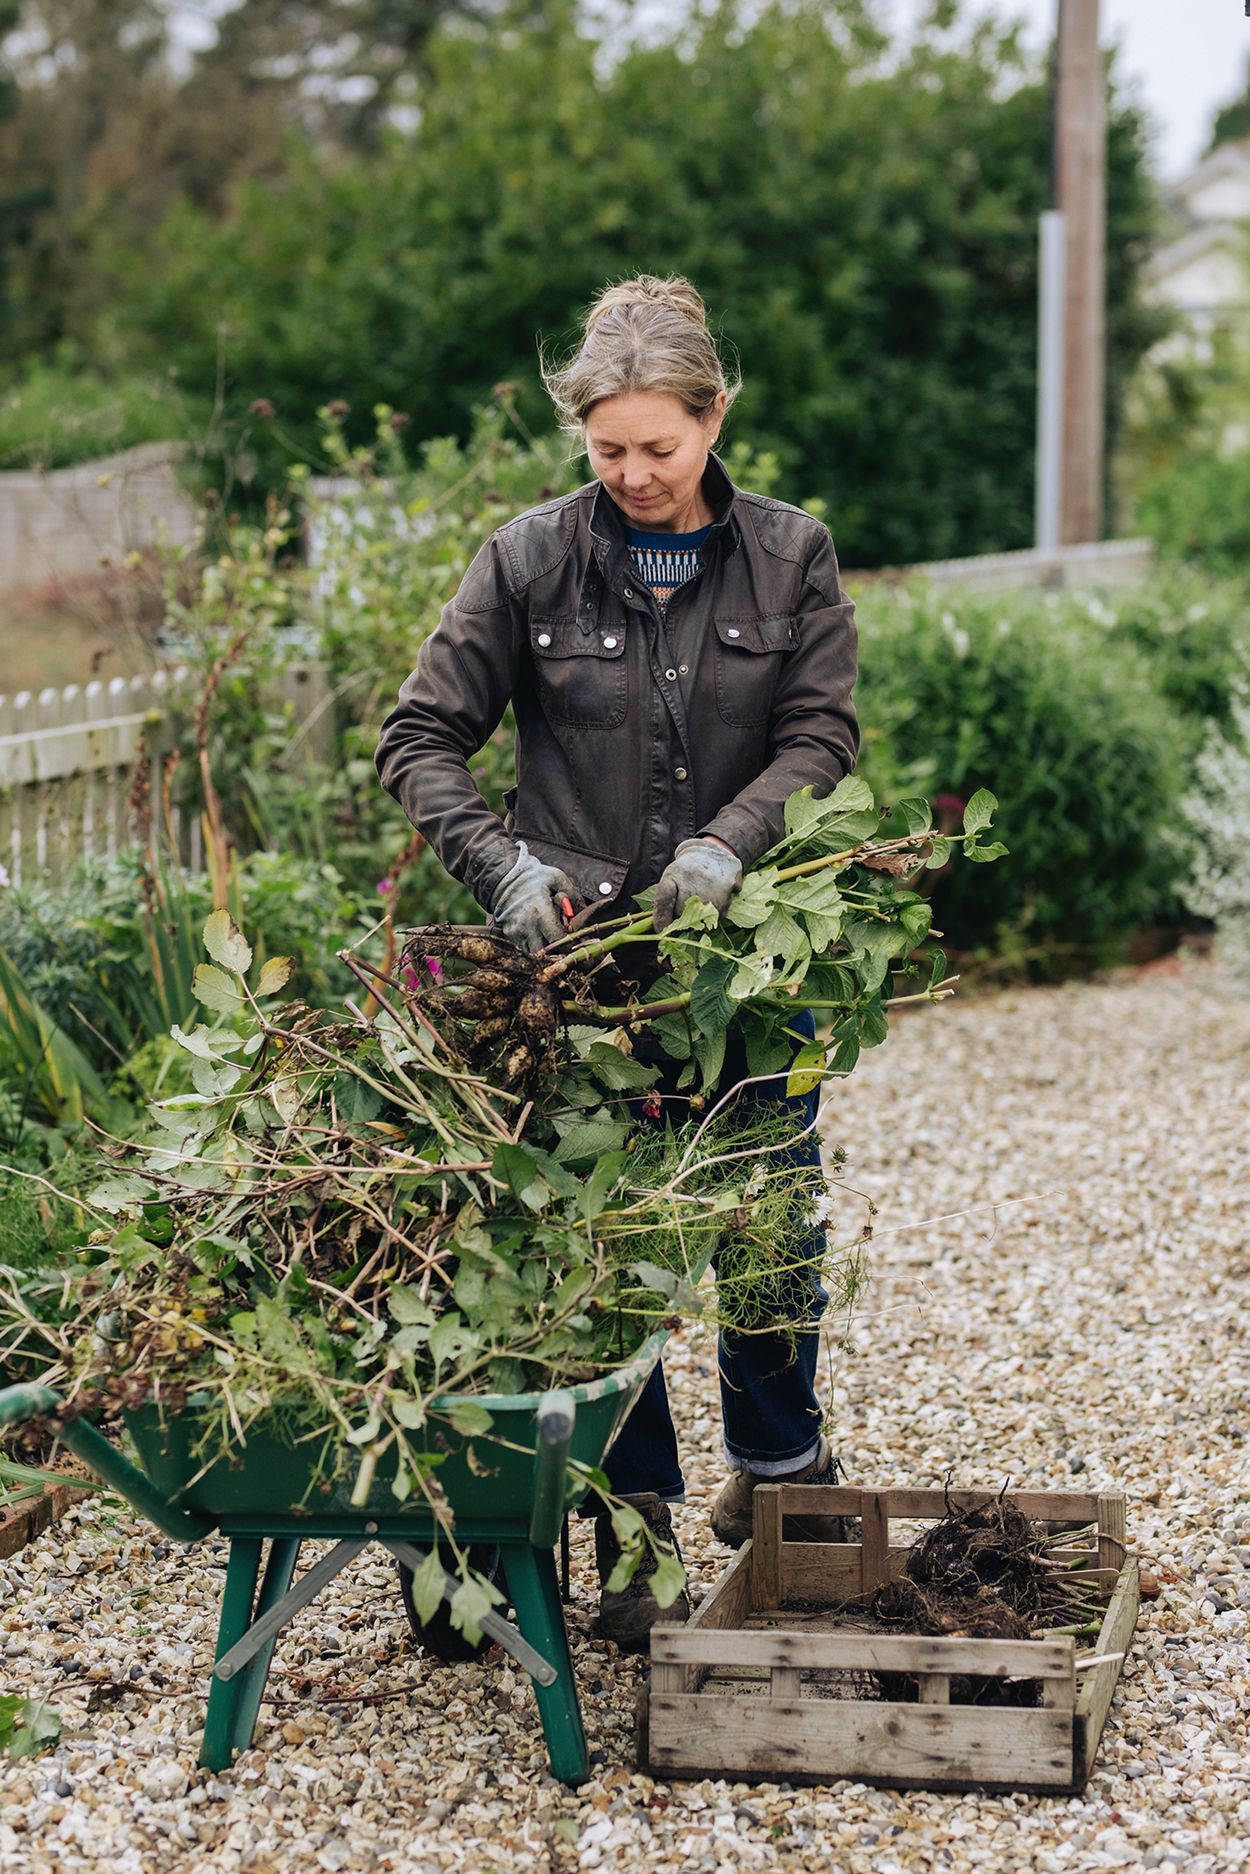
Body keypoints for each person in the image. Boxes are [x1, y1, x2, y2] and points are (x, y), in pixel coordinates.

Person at [375, 274, 859, 1649]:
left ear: (713, 418)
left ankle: (779, 1484)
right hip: (577, 987)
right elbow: (417, 738)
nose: (635, 474)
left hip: (742, 972)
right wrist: (504, 868)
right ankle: (634, 1524)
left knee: (768, 1227)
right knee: (612, 1254)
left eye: (661, 445)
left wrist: (729, 844)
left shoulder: (789, 556)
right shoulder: (526, 561)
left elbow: (819, 736)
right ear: (579, 434)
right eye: (608, 450)